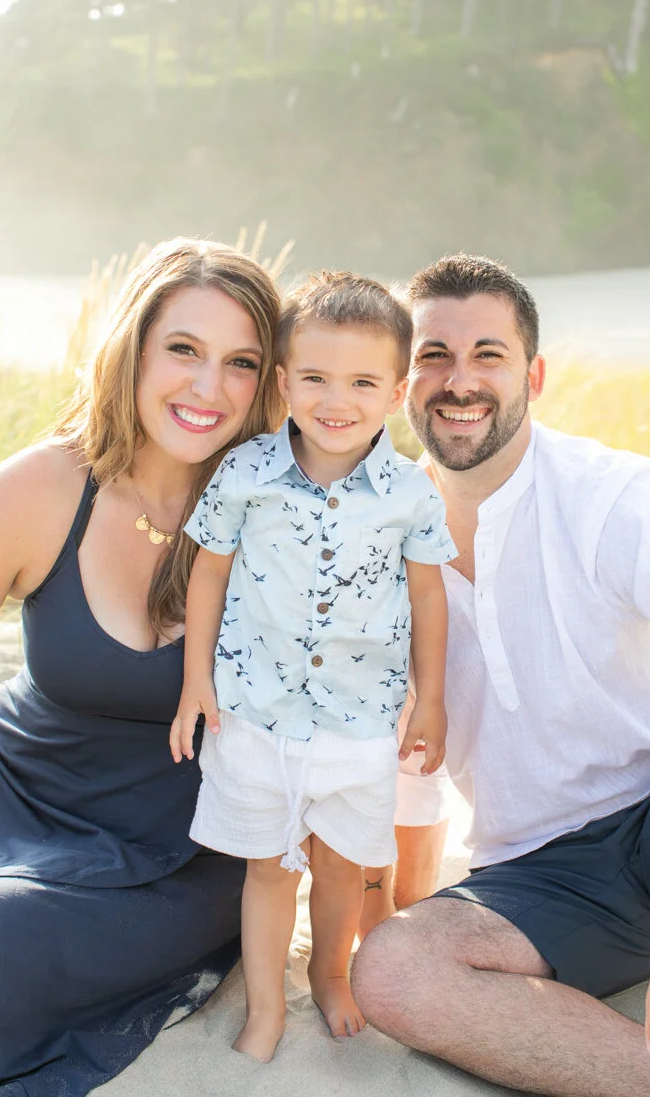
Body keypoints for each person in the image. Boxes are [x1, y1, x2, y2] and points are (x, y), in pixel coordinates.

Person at [353, 253, 650, 1097]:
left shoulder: (616, 499)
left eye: (488, 355)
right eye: (434, 356)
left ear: (532, 374)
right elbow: (411, 782)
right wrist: (405, 917)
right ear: (401, 383)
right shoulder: (375, 547)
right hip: (542, 876)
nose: (461, 383)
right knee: (392, 968)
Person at [0, 237, 287, 1096]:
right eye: (183, 349)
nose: (207, 388)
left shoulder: (286, 518)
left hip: (164, 864)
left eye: (240, 363)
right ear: (133, 350)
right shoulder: (47, 485)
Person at [169, 271, 455, 1063]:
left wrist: (430, 698)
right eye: (317, 378)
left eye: (363, 381)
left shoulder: (407, 493)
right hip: (254, 710)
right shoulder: (247, 474)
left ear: (396, 391)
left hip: (360, 719)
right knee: (268, 867)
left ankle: (330, 976)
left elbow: (428, 599)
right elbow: (210, 572)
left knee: (341, 867)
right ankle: (266, 1008)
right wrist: (197, 679)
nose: (339, 399)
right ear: (285, 381)